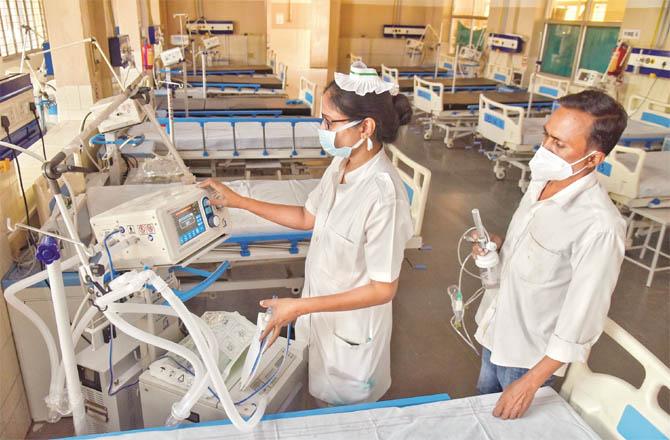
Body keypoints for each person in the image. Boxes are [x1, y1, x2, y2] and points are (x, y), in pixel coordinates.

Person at [199, 62, 414, 406]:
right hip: (321, 318)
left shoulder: (383, 196)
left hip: (352, 338)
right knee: (318, 400)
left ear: (366, 128)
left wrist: (300, 307)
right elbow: (305, 217)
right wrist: (239, 201)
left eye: (330, 122)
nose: (322, 129)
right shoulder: (341, 165)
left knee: (345, 420)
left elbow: (383, 288)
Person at [472, 90, 628, 419]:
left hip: (527, 360)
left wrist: (531, 383)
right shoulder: (542, 180)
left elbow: (582, 317)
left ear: (593, 159)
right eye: (546, 134)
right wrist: (499, 246)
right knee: (482, 415)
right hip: (495, 330)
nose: (544, 148)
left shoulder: (599, 226)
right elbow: (533, 246)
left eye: (559, 144)